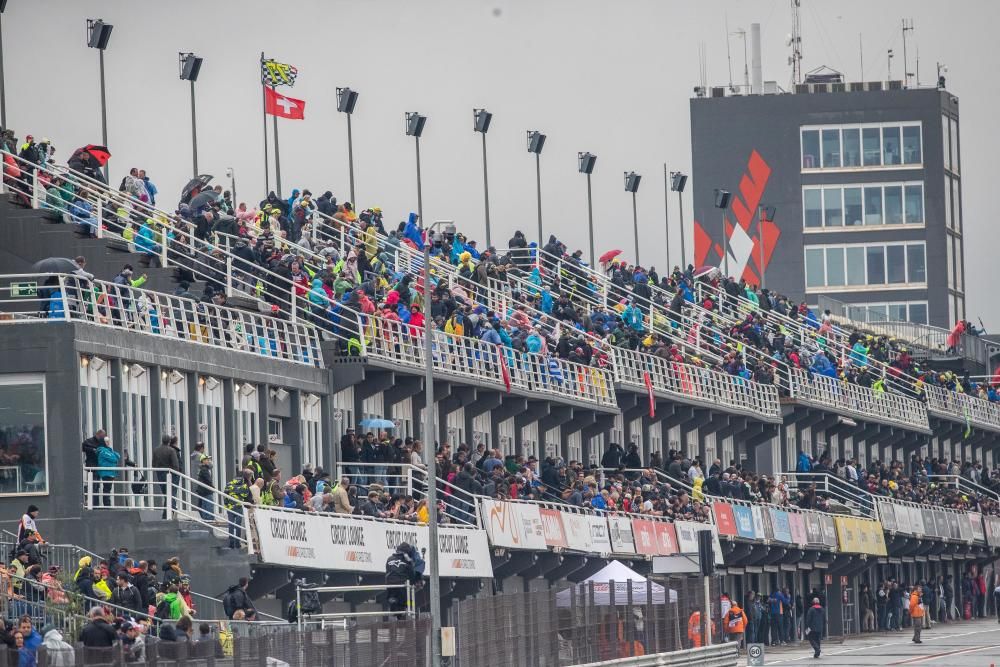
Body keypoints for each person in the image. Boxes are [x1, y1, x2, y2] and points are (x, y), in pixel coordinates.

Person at [385, 542, 424, 618]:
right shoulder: (407, 561)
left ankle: (395, 606)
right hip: (402, 588)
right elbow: (412, 576)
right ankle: (408, 614)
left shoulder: (389, 558)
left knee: (397, 601)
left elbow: (388, 572)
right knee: (408, 602)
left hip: (390, 587)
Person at [152, 435, 182, 519]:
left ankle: (166, 513)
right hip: (170, 474)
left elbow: (153, 464)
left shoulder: (156, 450)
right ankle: (170, 511)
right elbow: (176, 465)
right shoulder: (171, 450)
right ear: (169, 441)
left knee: (166, 493)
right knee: (171, 493)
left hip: (160, 474)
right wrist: (175, 473)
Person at [223, 470, 252, 549]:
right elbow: (246, 495)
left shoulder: (229, 484)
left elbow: (225, 496)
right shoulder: (244, 485)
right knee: (238, 525)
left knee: (231, 524)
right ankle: (237, 543)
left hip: (230, 507)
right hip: (239, 507)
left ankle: (231, 543)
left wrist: (227, 504)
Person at [94, 438, 121, 507]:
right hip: (106, 473)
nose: (108, 443)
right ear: (103, 442)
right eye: (106, 441)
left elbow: (118, 455)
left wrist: (113, 454)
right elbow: (114, 458)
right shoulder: (103, 451)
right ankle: (107, 504)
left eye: (109, 441)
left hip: (110, 472)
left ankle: (107, 504)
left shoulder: (108, 450)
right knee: (107, 488)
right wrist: (113, 455)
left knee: (108, 488)